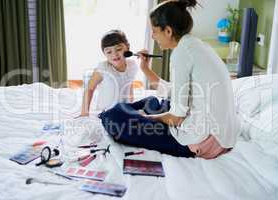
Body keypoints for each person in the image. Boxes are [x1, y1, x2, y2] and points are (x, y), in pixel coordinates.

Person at [99, 0, 240, 159]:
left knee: (114, 116)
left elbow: (177, 117)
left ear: (168, 31)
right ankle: (133, 112)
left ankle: (109, 115)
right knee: (152, 100)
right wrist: (145, 69)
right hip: (223, 135)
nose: (152, 36)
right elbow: (175, 92)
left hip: (202, 140)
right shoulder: (195, 45)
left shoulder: (181, 54)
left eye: (154, 31)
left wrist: (148, 119)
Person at [76, 30, 138, 117]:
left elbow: (129, 85)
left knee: (151, 101)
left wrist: (132, 106)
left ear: (127, 47)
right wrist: (84, 113)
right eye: (109, 52)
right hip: (109, 112)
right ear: (104, 54)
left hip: (125, 109)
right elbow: (89, 89)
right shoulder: (103, 68)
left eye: (118, 49)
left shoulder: (132, 65)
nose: (114, 54)